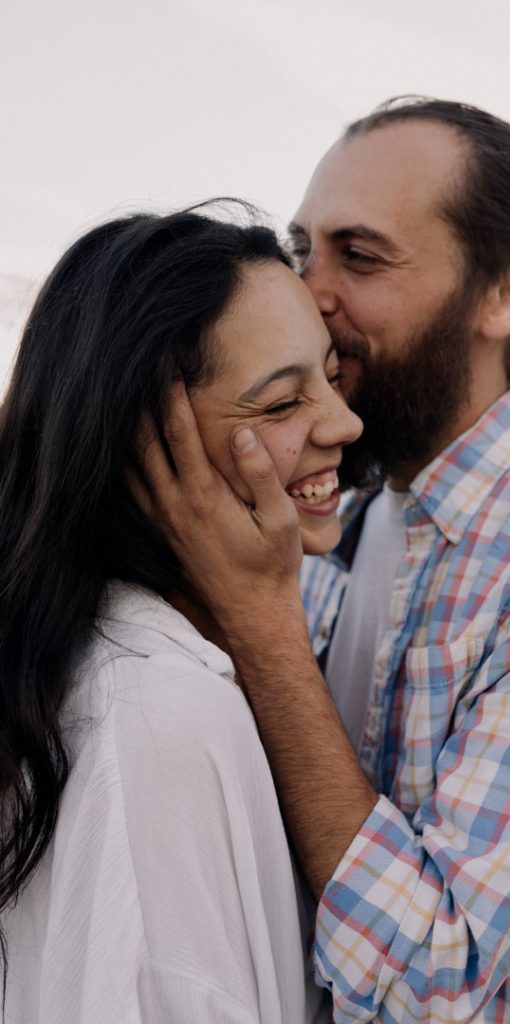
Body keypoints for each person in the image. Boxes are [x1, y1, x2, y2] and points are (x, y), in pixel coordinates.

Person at [137, 99, 510, 1023]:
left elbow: (435, 975)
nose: (309, 289)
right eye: (302, 248)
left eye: (361, 256)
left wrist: (259, 622)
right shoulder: (318, 511)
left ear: (507, 294)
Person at [0, 204, 361, 1024]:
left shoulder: (102, 659)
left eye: (331, 377)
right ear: (146, 442)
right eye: (279, 406)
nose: (344, 424)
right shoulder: (155, 714)